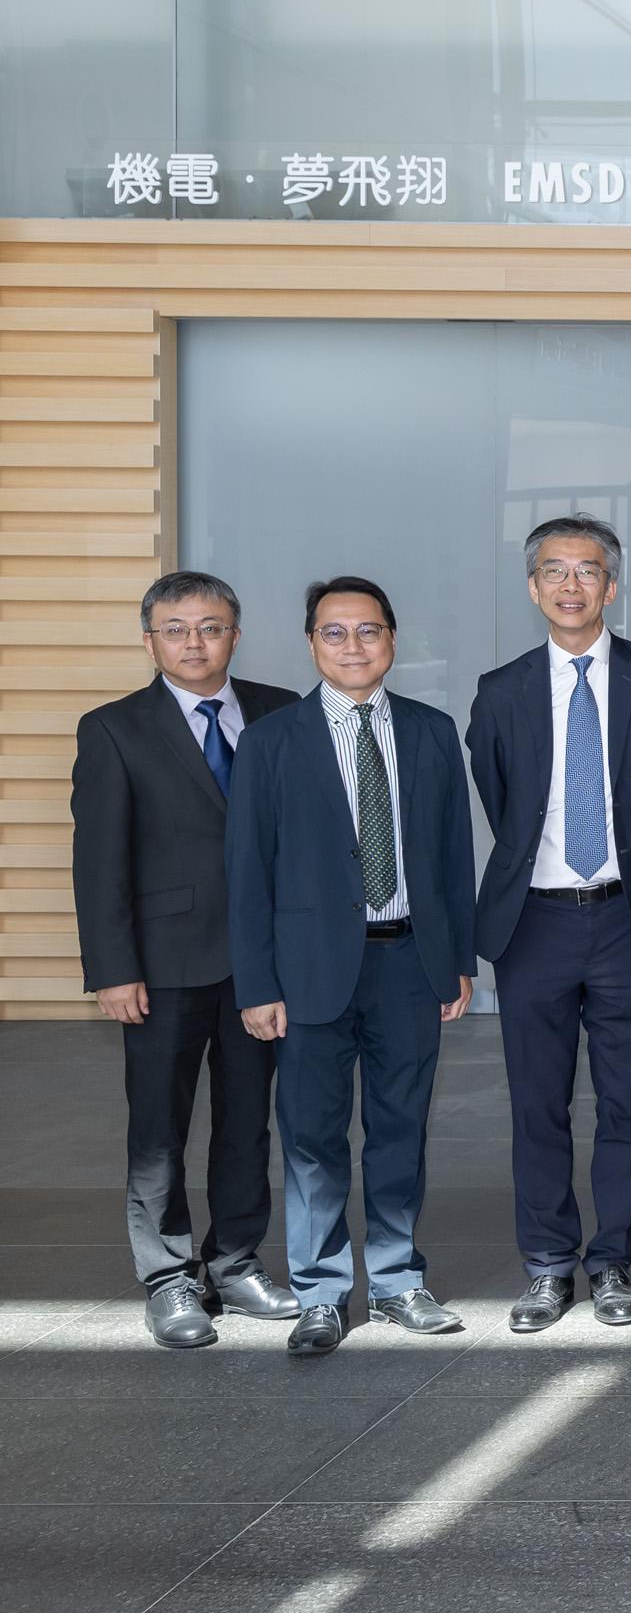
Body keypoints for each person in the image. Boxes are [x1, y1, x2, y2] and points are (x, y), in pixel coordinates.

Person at [227, 577, 475, 1357]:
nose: (353, 647)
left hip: (408, 961)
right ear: (310, 644)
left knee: (401, 1131)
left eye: (368, 632)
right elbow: (248, 873)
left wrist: (456, 961)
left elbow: (452, 856)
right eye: (335, 634)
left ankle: (399, 1281)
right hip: (306, 975)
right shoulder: (271, 741)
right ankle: (322, 1292)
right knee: (311, 1137)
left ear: (392, 641)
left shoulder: (433, 732)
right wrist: (258, 984)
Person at [463, 515, 631, 1334]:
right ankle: (549, 1264)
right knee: (539, 1104)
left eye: (587, 570)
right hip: (537, 923)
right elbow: (503, 804)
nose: (571, 584)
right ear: (533, 588)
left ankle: (613, 1261)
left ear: (611, 585)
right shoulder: (501, 690)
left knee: (628, 1104)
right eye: (554, 571)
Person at [71, 571, 301, 1348]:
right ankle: (169, 1278)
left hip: (262, 963)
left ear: (235, 634)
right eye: (176, 629)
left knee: (247, 1121)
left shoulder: (281, 711)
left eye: (210, 627)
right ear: (150, 640)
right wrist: (111, 966)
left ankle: (234, 1262)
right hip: (162, 965)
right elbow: (99, 860)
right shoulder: (113, 729)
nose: (194, 642)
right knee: (159, 1127)